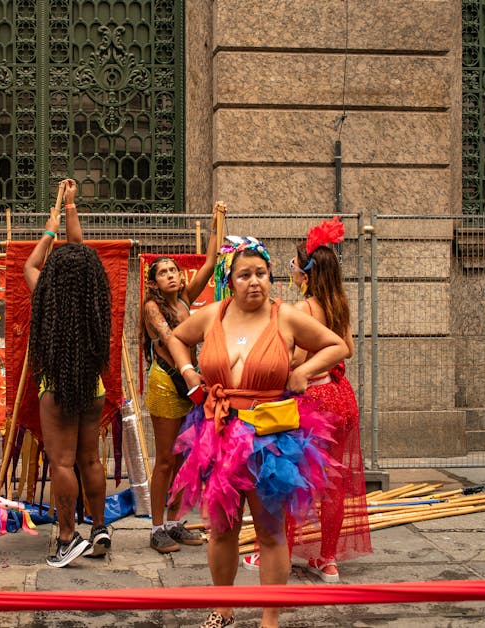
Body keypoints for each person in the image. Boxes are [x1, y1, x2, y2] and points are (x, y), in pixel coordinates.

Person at [165, 236, 347, 628]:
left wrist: (302, 372)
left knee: (270, 532)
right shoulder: (213, 314)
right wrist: (188, 372)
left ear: (271, 276)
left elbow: (336, 345)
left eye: (261, 273)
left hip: (271, 439)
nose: (254, 282)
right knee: (221, 530)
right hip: (219, 433)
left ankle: (270, 617)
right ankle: (223, 609)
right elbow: (176, 338)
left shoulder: (285, 316)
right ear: (229, 280)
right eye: (244, 274)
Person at [25, 178, 111, 568]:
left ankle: (65, 537)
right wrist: (72, 209)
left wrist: (52, 220)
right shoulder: (92, 295)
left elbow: (31, 262)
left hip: (57, 386)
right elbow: (80, 252)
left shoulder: (46, 290)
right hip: (93, 385)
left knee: (62, 462)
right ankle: (99, 528)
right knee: (90, 460)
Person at [283, 217, 372, 580]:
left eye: (292, 264)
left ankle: (279, 554)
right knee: (333, 484)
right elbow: (347, 349)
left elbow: (299, 361)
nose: (289, 270)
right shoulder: (339, 304)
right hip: (341, 397)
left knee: (292, 480)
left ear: (305, 273)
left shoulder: (303, 310)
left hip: (313, 401)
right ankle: (329, 560)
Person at [141, 201, 223, 553]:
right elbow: (171, 339)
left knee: (183, 459)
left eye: (174, 270)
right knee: (163, 459)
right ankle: (156, 527)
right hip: (167, 384)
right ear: (153, 281)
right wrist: (190, 372)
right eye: (163, 272)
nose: (171, 275)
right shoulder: (151, 307)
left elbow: (210, 261)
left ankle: (174, 522)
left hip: (191, 386)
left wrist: (218, 219)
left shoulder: (186, 300)